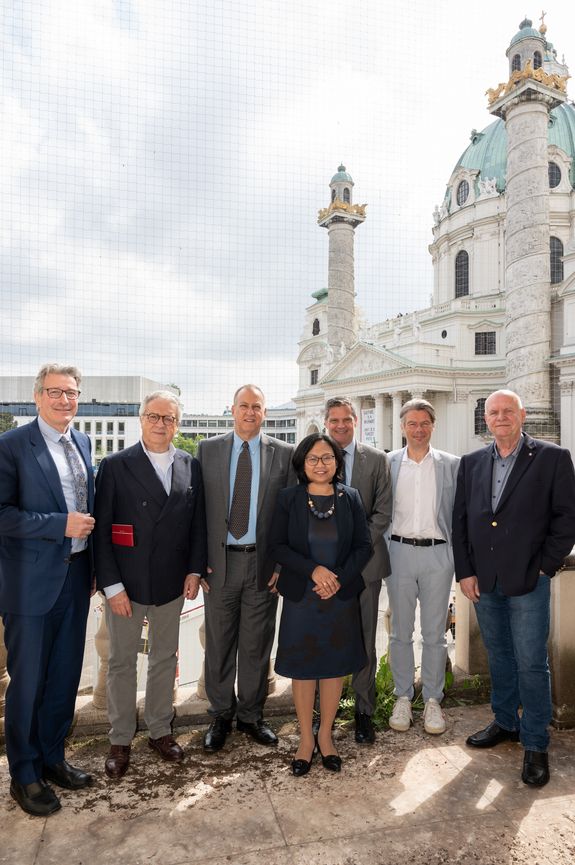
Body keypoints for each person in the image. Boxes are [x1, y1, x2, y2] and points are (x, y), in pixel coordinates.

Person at [452, 389, 575, 787]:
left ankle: (536, 743)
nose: (500, 417)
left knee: (531, 662)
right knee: (500, 656)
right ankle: (505, 722)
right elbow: (461, 522)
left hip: (528, 580)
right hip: (484, 582)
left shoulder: (552, 458)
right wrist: (466, 571)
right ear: (485, 420)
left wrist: (545, 567)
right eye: (493, 412)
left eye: (508, 411)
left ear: (522, 415)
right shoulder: (471, 463)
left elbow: (566, 518)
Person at [94, 390, 206, 779]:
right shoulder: (115, 465)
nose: (161, 424)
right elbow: (103, 532)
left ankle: (160, 730)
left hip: (171, 583)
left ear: (178, 423)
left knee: (164, 659)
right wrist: (112, 587)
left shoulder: (190, 464)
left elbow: (197, 526)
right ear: (141, 419)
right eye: (154, 416)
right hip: (126, 585)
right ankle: (120, 738)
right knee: (121, 662)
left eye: (169, 418)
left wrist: (194, 571)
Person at [0, 363, 95, 817]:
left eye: (72, 393)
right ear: (37, 397)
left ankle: (53, 759)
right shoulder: (12, 446)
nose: (64, 400)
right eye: (55, 392)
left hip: (76, 579)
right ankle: (24, 773)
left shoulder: (83, 441)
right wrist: (61, 526)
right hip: (30, 586)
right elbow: (2, 515)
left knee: (63, 679)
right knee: (28, 683)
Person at [198, 384, 294, 752]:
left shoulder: (283, 455)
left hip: (262, 564)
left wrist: (281, 565)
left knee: (256, 645)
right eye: (243, 406)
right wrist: (198, 564)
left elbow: (289, 516)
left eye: (257, 406)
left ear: (264, 412)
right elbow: (197, 512)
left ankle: (252, 716)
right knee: (219, 644)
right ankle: (221, 715)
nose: (250, 412)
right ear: (232, 409)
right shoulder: (208, 450)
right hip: (219, 565)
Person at [268, 433, 372, 776]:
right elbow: (278, 546)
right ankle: (305, 741)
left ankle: (325, 736)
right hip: (303, 595)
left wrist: (337, 578)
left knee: (333, 666)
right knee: (304, 667)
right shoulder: (289, 498)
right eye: (313, 458)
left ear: (337, 463)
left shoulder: (350, 497)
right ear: (302, 464)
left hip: (338, 597)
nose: (320, 464)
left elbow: (363, 547)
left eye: (327, 458)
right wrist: (314, 571)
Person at [384, 398, 459, 735]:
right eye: (412, 424)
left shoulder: (451, 465)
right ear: (402, 427)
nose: (418, 429)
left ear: (433, 425)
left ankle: (432, 700)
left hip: (438, 555)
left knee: (434, 634)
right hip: (398, 553)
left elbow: (460, 512)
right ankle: (402, 696)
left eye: (424, 423)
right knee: (400, 631)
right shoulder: (387, 464)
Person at [324, 397, 392, 744]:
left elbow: (382, 512)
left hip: (365, 566)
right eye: (333, 420)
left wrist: (354, 548)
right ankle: (328, 713)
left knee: (365, 638)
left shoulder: (377, 459)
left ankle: (364, 710)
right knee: (329, 637)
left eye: (346, 419)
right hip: (325, 570)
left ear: (356, 420)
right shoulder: (314, 457)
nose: (340, 425)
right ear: (326, 423)